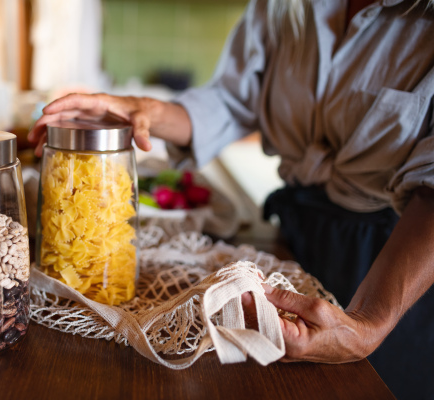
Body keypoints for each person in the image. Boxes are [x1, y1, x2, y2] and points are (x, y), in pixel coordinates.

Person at [29, 0, 434, 398]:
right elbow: (232, 101)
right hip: (297, 233)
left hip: (400, 254)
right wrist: (148, 109)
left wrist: (369, 322)